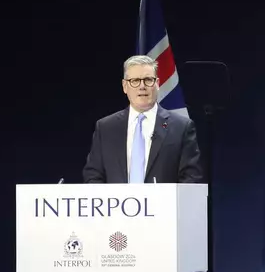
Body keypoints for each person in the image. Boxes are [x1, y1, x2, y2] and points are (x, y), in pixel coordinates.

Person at [83, 55, 203, 183]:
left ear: (157, 84)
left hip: (163, 203)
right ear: (125, 86)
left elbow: (191, 178)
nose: (142, 86)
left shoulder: (181, 127)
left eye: (148, 80)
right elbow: (93, 176)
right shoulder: (106, 128)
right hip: (116, 203)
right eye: (135, 81)